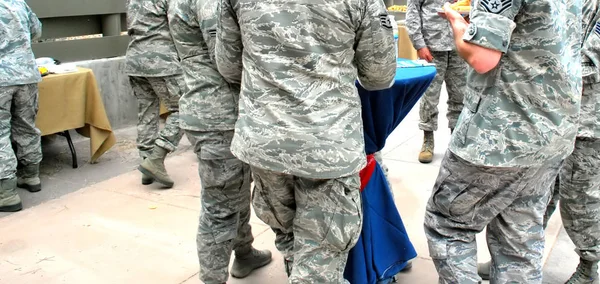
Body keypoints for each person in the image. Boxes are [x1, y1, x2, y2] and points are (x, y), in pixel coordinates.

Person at [215, 0, 397, 281]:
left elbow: (228, 66)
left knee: (290, 236)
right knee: (321, 253)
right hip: (327, 146)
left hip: (266, 142)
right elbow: (378, 76)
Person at [425, 0, 582, 283]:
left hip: (499, 136)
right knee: (519, 239)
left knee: (449, 223)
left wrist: (457, 23)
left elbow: (482, 57)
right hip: (552, 131)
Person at [476, 1, 600, 282]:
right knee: (530, 196)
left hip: (589, 122)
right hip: (546, 116)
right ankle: (511, 260)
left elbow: (588, 63)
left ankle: (589, 265)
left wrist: (523, 61)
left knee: (579, 199)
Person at [167, 0, 272, 283]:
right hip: (221, 117)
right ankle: (212, 278)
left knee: (233, 192)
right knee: (221, 207)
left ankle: (245, 252)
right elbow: (227, 61)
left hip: (211, 112)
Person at [125, 0, 184, 188]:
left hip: (135, 59)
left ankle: (146, 161)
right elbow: (180, 25)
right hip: (162, 61)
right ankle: (156, 157)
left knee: (147, 111)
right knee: (186, 108)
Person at [406, 0, 467, 164]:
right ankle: (428, 140)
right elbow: (412, 14)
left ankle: (457, 141)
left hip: (459, 45)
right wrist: (419, 44)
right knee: (429, 97)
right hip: (432, 48)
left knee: (460, 97)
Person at [0, 0, 44, 212]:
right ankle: (31, 176)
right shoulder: (18, 3)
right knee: (26, 125)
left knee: (1, 133)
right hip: (27, 74)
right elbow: (36, 31)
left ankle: (6, 192)